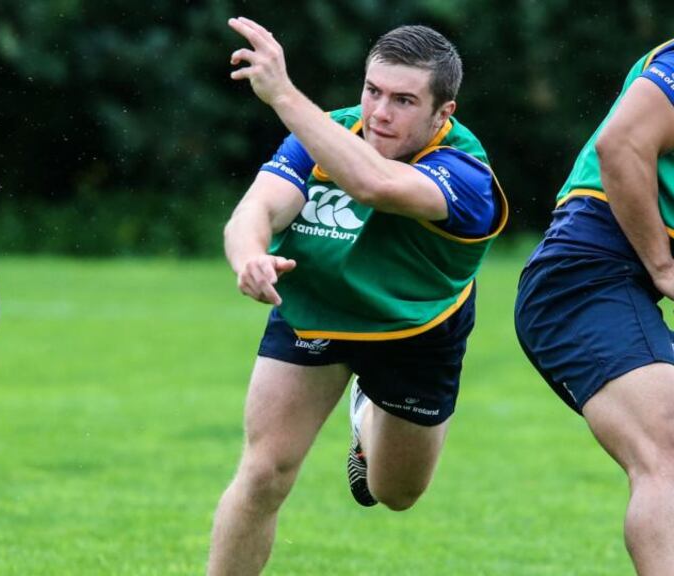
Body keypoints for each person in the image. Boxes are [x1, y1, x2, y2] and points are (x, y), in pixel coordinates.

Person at [208, 17, 507, 575]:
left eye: (403, 100)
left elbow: (377, 185)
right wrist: (249, 255)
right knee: (264, 471)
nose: (378, 113)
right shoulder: (326, 132)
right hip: (316, 311)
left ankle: (367, 408)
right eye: (372, 91)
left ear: (443, 114)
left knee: (393, 492)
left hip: (415, 330)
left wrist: (283, 95)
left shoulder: (466, 175)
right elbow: (255, 209)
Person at [514, 39, 674, 575]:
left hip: (624, 284)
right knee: (667, 450)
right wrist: (664, 266)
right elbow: (620, 145)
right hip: (583, 277)